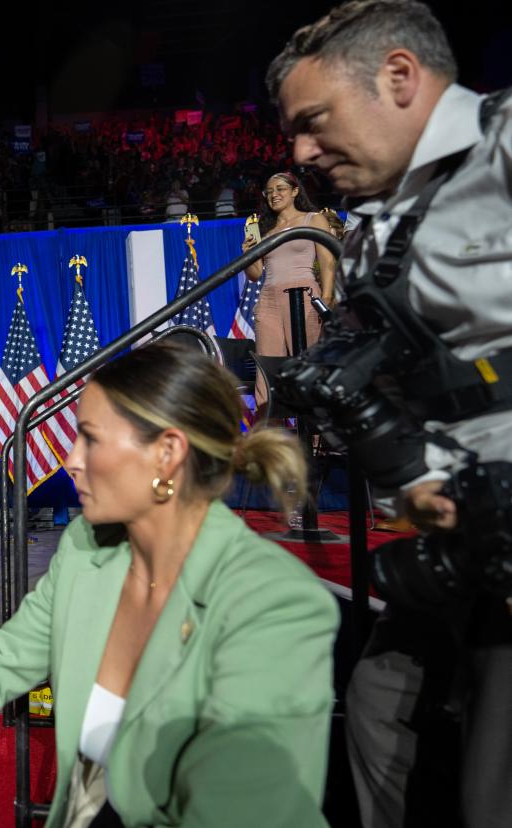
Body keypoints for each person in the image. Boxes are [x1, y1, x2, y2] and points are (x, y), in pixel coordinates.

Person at [0, 341, 339, 827]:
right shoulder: (87, 549)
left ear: (167, 454)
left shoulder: (275, 604)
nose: (70, 461)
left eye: (90, 438)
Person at [269, 2, 512, 825]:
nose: (300, 151)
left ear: (399, 77)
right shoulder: (373, 235)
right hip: (461, 543)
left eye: (315, 121)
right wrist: (412, 475)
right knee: (377, 700)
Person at [240, 171, 336, 411]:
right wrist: (246, 254)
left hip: (304, 295)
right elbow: (254, 275)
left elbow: (327, 262)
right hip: (268, 300)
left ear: (295, 191)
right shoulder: (264, 230)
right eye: (269, 191)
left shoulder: (313, 219)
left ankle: (315, 436)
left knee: (306, 362)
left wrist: (326, 298)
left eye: (280, 189)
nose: (274, 195)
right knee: (267, 366)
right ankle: (267, 430)